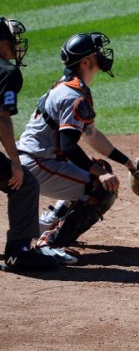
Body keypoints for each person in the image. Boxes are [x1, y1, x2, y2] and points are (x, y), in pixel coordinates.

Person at [17, 32, 136, 265]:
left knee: (100, 168)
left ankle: (50, 221)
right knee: (101, 188)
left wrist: (128, 164)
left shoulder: (70, 86)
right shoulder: (73, 95)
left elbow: (90, 134)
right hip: (37, 163)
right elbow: (68, 146)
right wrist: (101, 175)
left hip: (39, 158)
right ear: (86, 62)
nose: (103, 55)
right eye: (97, 52)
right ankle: (49, 245)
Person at [0, 17, 57, 272]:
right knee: (25, 184)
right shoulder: (7, 72)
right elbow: (1, 117)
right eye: (12, 40)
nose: (16, 45)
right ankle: (20, 252)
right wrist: (15, 162)